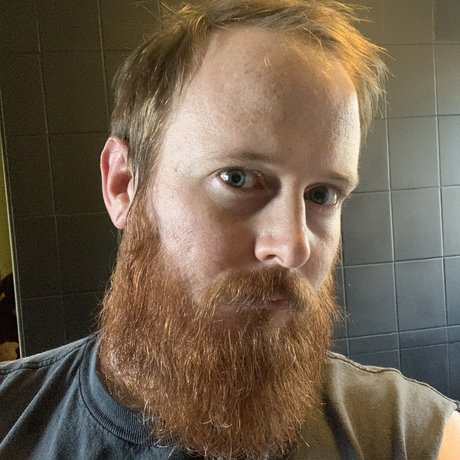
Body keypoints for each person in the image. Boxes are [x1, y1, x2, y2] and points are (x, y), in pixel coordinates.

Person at [1, 1, 459, 458]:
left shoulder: (403, 434)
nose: (292, 247)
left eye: (321, 194)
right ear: (123, 184)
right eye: (237, 178)